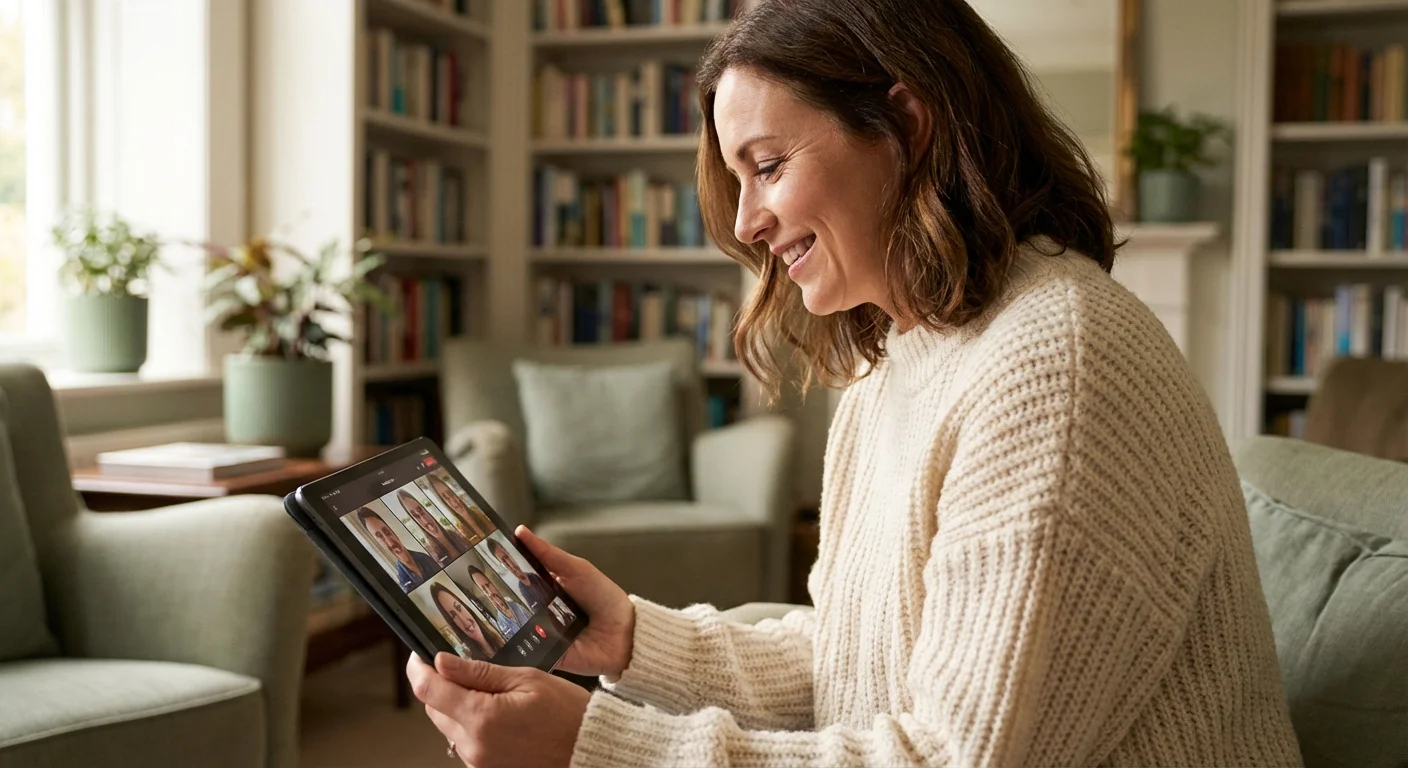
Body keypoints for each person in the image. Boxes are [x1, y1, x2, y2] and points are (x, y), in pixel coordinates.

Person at [405, 1, 1303, 766]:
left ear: (907, 126)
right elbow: (855, 658)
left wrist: (598, 746)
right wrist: (633, 639)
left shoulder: (1053, 359)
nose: (749, 220)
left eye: (767, 164)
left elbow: (953, 754)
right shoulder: (900, 359)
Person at [355, 507, 438, 593]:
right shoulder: (401, 583)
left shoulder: (424, 557)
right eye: (380, 537)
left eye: (387, 532)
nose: (390, 543)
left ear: (392, 531)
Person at [430, 583, 505, 661]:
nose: (464, 621)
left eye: (459, 607)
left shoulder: (499, 631)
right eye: (453, 616)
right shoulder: (472, 662)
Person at [398, 488, 470, 565]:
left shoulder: (456, 533)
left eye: (421, 511)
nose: (425, 521)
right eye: (416, 516)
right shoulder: (430, 554)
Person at [465, 565, 533, 640]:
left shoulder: (518, 605)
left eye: (488, 585)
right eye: (484, 589)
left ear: (493, 584)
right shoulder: (500, 625)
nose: (490, 592)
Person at [486, 536, 553, 609]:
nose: (511, 565)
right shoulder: (523, 590)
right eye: (504, 562)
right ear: (502, 565)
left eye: (507, 557)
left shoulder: (533, 575)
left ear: (509, 554)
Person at [426, 473, 495, 542]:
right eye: (447, 498)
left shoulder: (475, 510)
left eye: (451, 493)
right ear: (444, 503)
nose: (453, 501)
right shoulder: (459, 528)